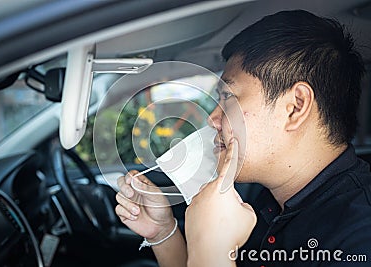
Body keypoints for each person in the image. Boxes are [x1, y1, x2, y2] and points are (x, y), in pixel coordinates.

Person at [115, 10, 371, 266]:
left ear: (294, 107)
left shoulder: (359, 235)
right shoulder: (268, 201)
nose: (212, 118)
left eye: (228, 97)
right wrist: (163, 234)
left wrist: (211, 248)